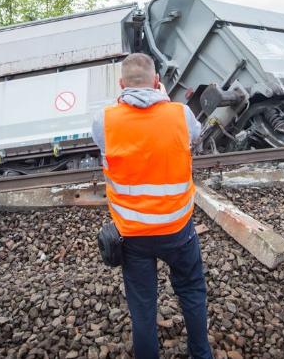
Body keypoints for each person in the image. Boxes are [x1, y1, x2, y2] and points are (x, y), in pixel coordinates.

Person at [91, 53, 212, 359]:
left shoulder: (104, 120)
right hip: (178, 229)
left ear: (121, 84)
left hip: (132, 235)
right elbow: (193, 138)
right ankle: (201, 354)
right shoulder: (180, 114)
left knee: (143, 308)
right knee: (192, 291)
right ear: (157, 82)